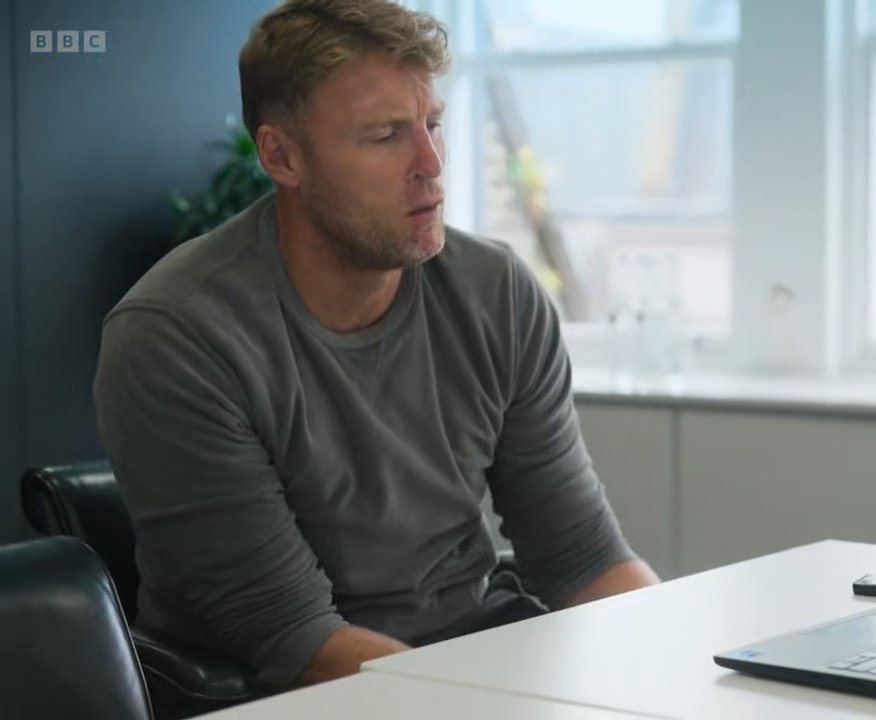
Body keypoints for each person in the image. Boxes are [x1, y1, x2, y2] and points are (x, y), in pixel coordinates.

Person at [93, 0, 659, 690]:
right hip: (291, 693)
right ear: (282, 156)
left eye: (433, 124)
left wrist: (670, 665)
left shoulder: (496, 291)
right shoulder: (177, 335)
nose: (431, 164)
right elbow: (301, 642)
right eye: (386, 134)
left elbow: (584, 559)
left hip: (471, 662)